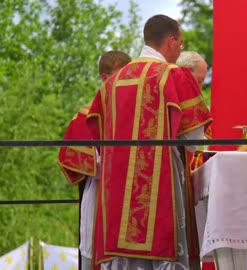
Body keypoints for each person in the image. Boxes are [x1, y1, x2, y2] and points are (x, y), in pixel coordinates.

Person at [86, 14, 212, 270]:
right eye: (181, 44)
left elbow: (97, 135)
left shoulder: (115, 81)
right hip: (160, 184)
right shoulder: (173, 75)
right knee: (164, 251)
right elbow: (193, 143)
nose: (180, 49)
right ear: (172, 42)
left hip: (117, 191)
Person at [58, 50, 132, 270]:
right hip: (100, 191)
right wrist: (107, 162)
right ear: (104, 79)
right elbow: (68, 155)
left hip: (129, 193)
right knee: (95, 257)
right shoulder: (87, 115)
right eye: (120, 77)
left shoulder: (135, 114)